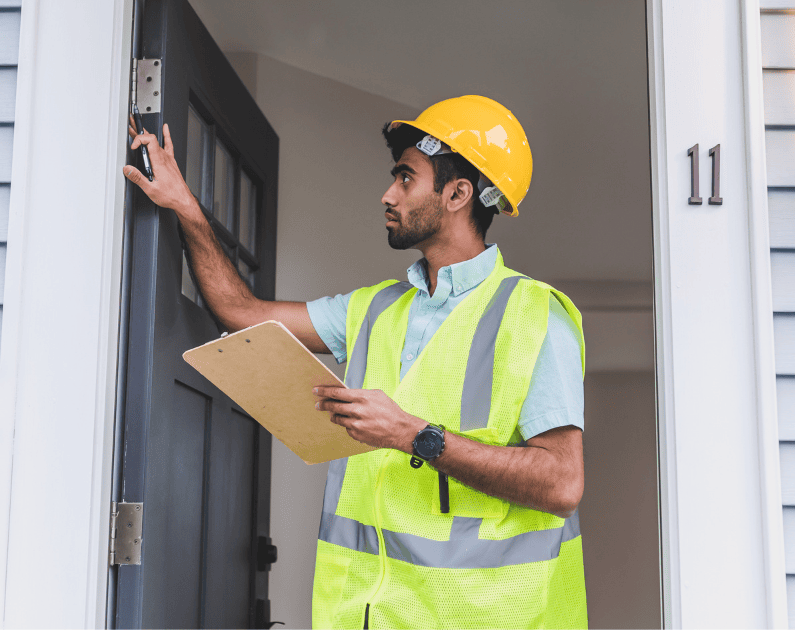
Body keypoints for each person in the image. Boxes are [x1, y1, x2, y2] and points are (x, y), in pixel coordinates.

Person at [124, 95, 587, 629]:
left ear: (457, 194)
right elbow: (240, 311)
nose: (388, 194)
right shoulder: (373, 310)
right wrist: (185, 206)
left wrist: (415, 435)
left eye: (406, 179)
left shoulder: (535, 315)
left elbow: (561, 484)